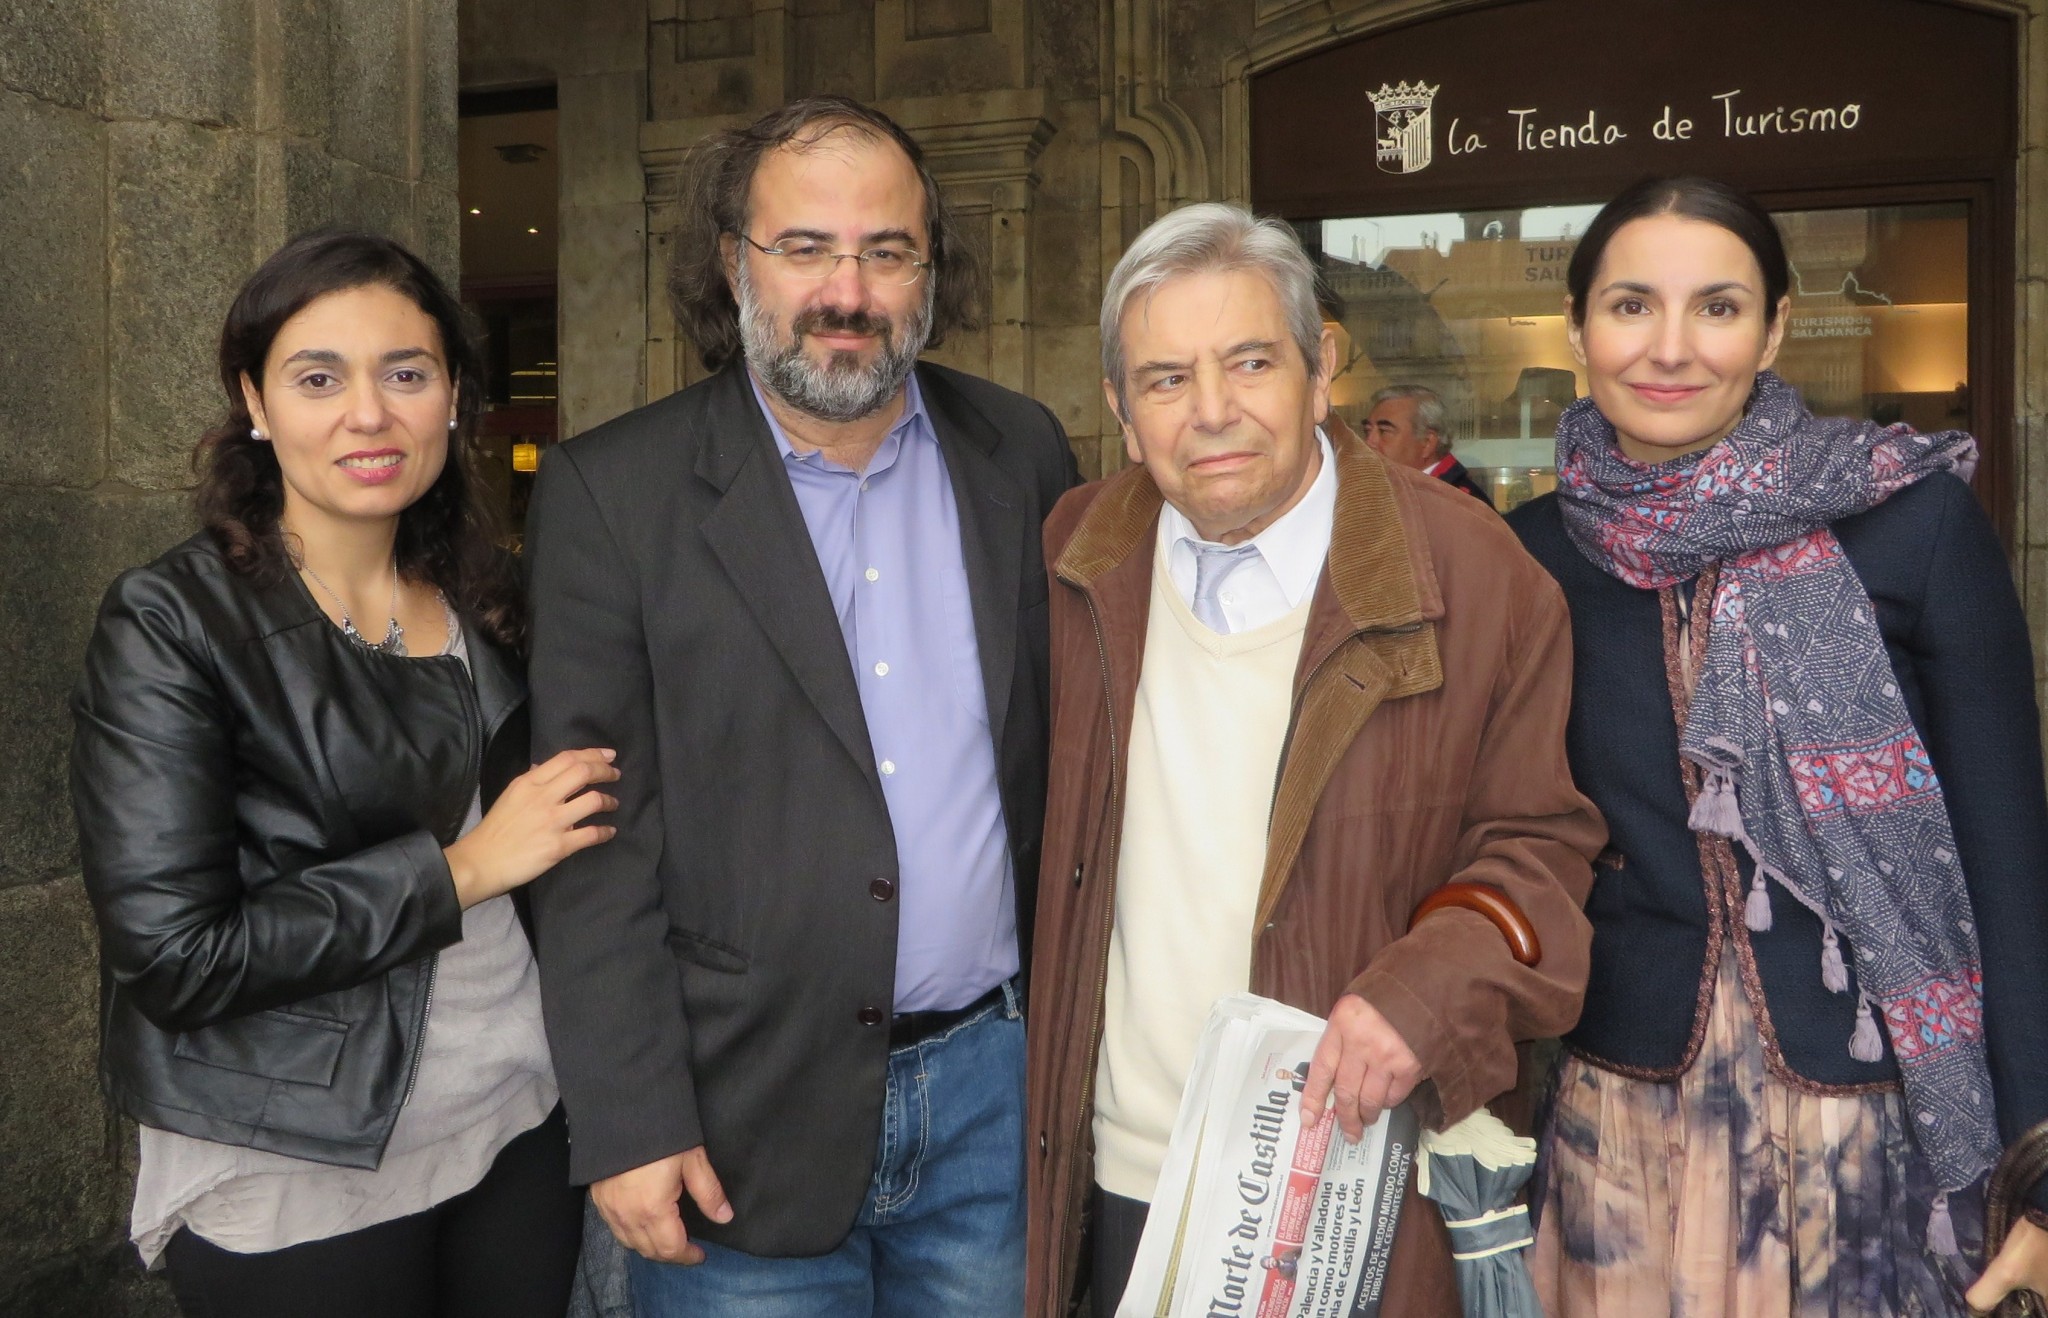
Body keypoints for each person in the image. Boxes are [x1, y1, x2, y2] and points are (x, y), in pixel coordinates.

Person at [523, 95, 1079, 1316]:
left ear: (930, 270)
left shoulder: (1023, 453)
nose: (850, 289)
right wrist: (626, 1119)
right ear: (733, 265)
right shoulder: (612, 493)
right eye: (807, 248)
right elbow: (590, 840)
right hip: (734, 1120)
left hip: (993, 1098)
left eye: (888, 251)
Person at [1022, 202, 1602, 1318]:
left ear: (1319, 365)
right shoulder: (1069, 560)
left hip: (1355, 1190)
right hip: (1117, 1181)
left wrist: (1420, 996)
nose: (1212, 413)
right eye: (1164, 379)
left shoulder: (1475, 576)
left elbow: (1540, 850)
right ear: (1119, 410)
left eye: (1249, 362)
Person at [1505, 176, 2048, 1316]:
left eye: (1715, 307)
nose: (1668, 348)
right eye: (1628, 306)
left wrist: (2039, 1180)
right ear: (1574, 328)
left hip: (1878, 1130)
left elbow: (2007, 867)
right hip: (1621, 1123)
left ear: (1774, 328)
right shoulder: (1528, 558)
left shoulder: (1908, 521)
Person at [69, 230, 616, 1318]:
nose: (369, 413)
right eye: (318, 377)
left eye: (405, 373)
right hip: (297, 1154)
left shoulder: (490, 595)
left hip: (514, 1115)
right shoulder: (174, 622)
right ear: (256, 403)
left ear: (453, 397)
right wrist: (460, 870)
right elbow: (176, 955)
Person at [1364, 384, 1491, 504]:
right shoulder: (1379, 492)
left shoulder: (1462, 504)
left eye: (1384, 431)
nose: (1369, 442)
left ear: (1427, 442)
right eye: (1367, 431)